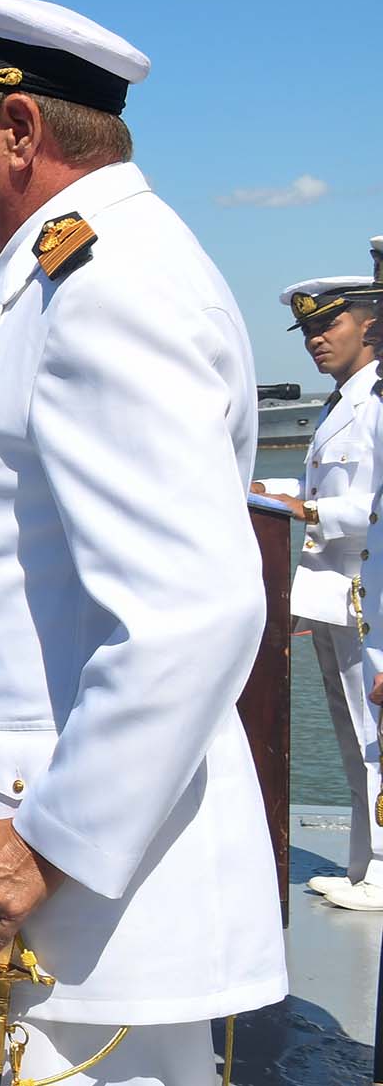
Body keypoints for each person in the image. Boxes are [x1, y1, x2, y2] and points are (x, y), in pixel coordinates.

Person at [0, 0, 285, 1083]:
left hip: (64, 903)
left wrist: (47, 842)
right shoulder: (50, 284)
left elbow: (195, 606)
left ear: (19, 130)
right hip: (29, 891)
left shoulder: (107, 289)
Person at [256, 278, 382, 910]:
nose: (315, 339)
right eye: (307, 329)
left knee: (374, 736)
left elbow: (371, 508)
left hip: (368, 599)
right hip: (336, 593)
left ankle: (382, 869)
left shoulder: (378, 402)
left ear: (371, 322)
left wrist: (302, 509)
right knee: (351, 733)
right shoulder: (344, 402)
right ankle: (366, 865)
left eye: (329, 324)